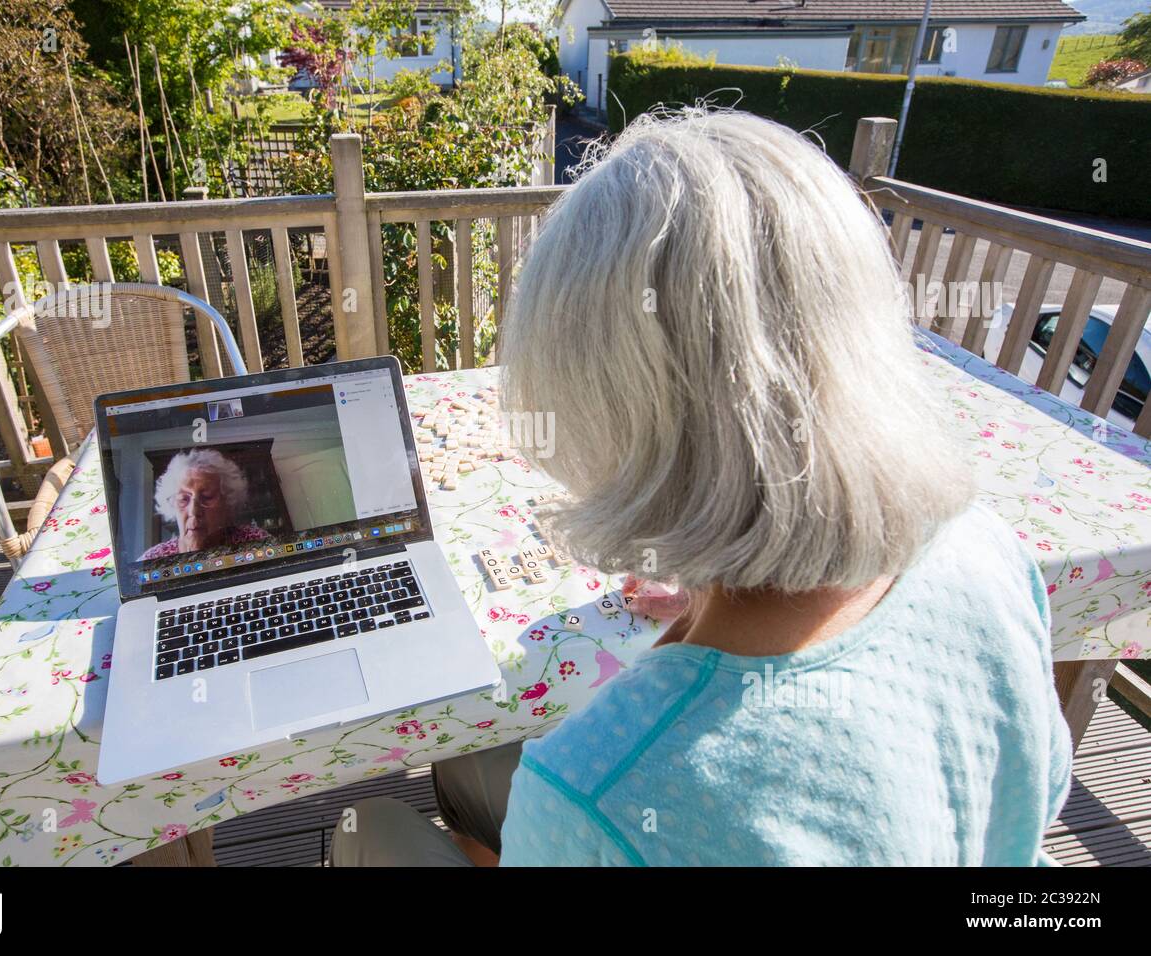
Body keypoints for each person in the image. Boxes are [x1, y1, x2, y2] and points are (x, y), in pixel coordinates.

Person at [328, 108, 1071, 867]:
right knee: (475, 762)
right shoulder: (987, 548)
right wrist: (717, 585)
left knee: (369, 825)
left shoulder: (588, 792)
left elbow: (629, 796)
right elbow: (1036, 796)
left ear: (601, 413)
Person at [140, 448, 269, 560]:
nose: (194, 511)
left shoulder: (256, 540)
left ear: (228, 503)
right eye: (184, 499)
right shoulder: (153, 558)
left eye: (207, 497)